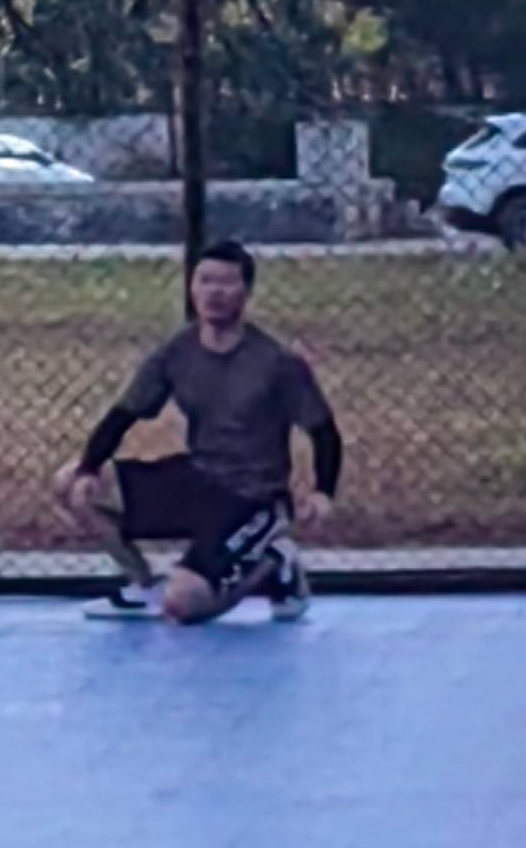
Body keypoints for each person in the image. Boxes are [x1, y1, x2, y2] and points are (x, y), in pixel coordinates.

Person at [52, 239, 338, 623]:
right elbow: (123, 415)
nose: (214, 293)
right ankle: (141, 588)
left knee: (183, 607)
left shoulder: (277, 363)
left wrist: (323, 492)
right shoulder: (177, 351)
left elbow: (324, 432)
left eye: (226, 283)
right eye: (205, 281)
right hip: (197, 479)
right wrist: (89, 468)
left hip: (252, 496)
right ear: (192, 287)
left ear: (246, 292)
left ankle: (274, 561)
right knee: (70, 482)